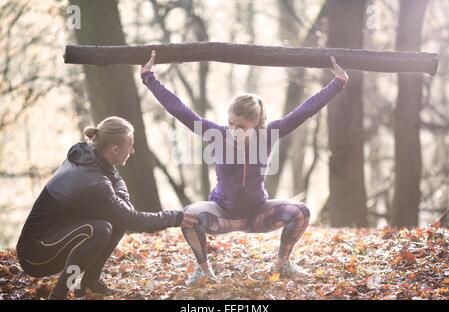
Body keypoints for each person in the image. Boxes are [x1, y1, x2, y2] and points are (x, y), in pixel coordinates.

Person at [140, 50, 348, 285]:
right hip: (221, 214)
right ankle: (203, 270)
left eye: (241, 126)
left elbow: (305, 110)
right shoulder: (216, 135)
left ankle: (282, 263)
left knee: (300, 212)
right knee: (189, 215)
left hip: (257, 214)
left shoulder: (269, 135)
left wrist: (337, 83)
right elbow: (180, 110)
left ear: (257, 124)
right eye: (230, 123)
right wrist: (149, 78)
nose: (233, 129)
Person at [16, 116, 198, 299]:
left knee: (117, 220)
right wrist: (176, 217)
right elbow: (133, 219)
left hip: (55, 237)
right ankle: (59, 295)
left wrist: (120, 197)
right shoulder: (94, 182)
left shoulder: (89, 154)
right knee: (100, 229)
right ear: (115, 149)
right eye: (130, 145)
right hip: (35, 255)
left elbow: (119, 191)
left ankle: (89, 284)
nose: (133, 151)